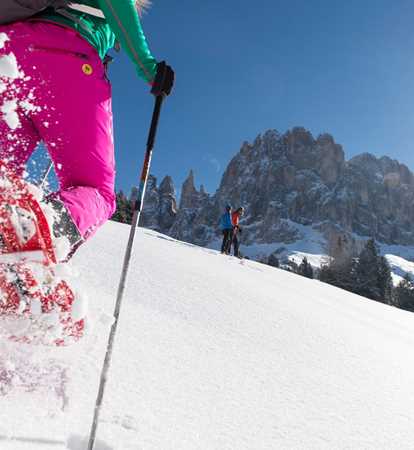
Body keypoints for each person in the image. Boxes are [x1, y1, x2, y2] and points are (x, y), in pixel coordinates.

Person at [0, 0, 174, 262]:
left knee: (4, 176)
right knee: (96, 191)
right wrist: (148, 68)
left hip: (10, 53)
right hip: (66, 56)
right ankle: (31, 243)